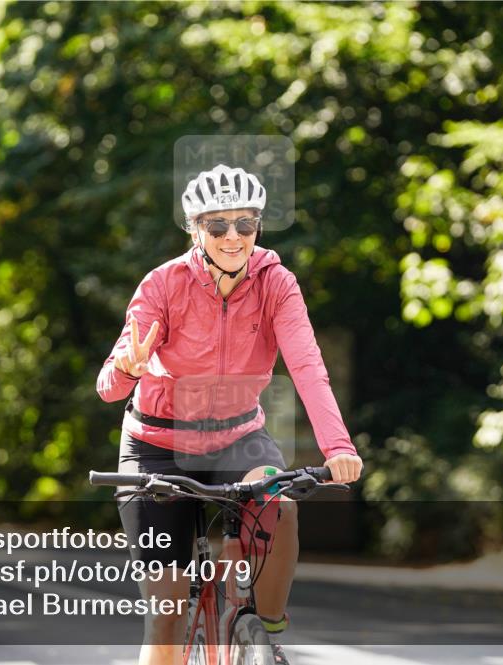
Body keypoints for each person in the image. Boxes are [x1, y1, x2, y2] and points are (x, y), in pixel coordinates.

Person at [97, 164, 363, 665]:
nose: (233, 237)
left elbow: (308, 368)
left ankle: (264, 630)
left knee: (279, 504)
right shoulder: (162, 285)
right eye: (217, 226)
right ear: (195, 230)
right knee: (167, 614)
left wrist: (338, 448)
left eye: (246, 223)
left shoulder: (276, 283)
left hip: (238, 439)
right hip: (156, 446)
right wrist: (128, 369)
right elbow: (108, 387)